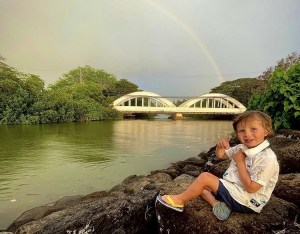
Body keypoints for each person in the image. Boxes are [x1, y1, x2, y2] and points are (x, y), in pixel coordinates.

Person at [156, 110, 279, 220]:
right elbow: (221, 156)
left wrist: (240, 162)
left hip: (248, 201)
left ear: (266, 131)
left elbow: (252, 188)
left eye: (253, 129)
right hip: (235, 190)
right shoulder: (242, 147)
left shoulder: (267, 159)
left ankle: (179, 201)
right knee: (200, 188)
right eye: (242, 130)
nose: (247, 134)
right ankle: (217, 204)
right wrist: (220, 147)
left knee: (204, 178)